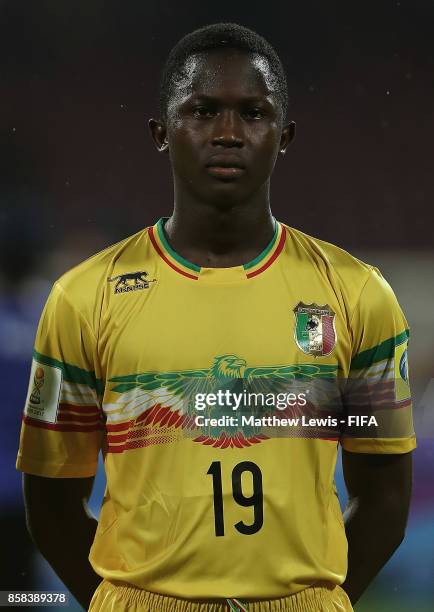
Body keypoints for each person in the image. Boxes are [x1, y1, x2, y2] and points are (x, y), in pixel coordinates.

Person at [16, 23, 416, 612]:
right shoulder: (84, 298)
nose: (227, 133)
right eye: (202, 111)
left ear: (285, 135)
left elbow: (384, 498)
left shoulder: (358, 295)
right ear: (161, 132)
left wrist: (316, 600)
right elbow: (50, 503)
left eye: (253, 113)